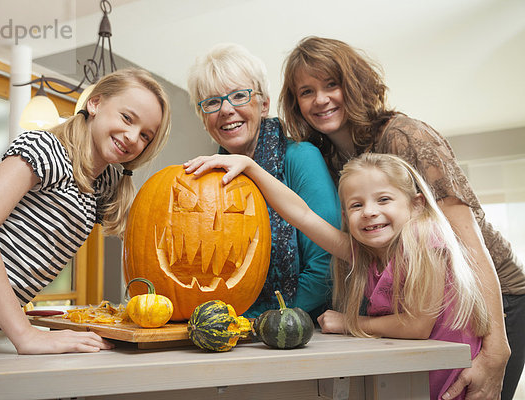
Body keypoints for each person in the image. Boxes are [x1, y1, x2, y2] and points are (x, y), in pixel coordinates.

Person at [278, 36, 524, 400]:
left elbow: (467, 240)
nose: (321, 99)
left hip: (492, 300)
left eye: (332, 84)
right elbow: (323, 227)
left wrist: (497, 350)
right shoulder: (329, 157)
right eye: (306, 91)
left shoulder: (403, 136)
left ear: (355, 84)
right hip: (424, 308)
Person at [184, 152, 490, 400]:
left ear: (416, 204)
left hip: (447, 378)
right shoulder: (367, 255)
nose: (369, 211)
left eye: (383, 200)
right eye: (357, 205)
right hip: (415, 375)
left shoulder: (425, 237)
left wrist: (349, 323)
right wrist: (251, 167)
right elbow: (302, 215)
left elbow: (417, 325)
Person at [0, 68, 171, 354]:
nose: (132, 136)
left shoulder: (106, 183)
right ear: (95, 104)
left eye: (145, 135)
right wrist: (25, 335)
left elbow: (153, 242)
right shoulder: (45, 148)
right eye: (127, 118)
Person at [186, 43, 341, 318]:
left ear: (264, 104)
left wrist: (260, 320)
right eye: (212, 102)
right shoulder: (205, 180)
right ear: (203, 117)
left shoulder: (301, 158)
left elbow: (325, 266)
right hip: (231, 329)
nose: (226, 109)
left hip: (303, 330)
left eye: (239, 96)